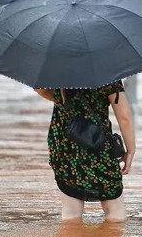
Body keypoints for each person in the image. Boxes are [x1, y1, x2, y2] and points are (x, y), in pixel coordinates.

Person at [35, 82, 135, 221]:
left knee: (71, 210)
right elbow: (125, 116)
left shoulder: (56, 68)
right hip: (97, 145)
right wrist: (130, 149)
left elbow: (41, 89)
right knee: (114, 209)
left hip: (65, 143)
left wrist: (61, 98)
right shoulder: (107, 74)